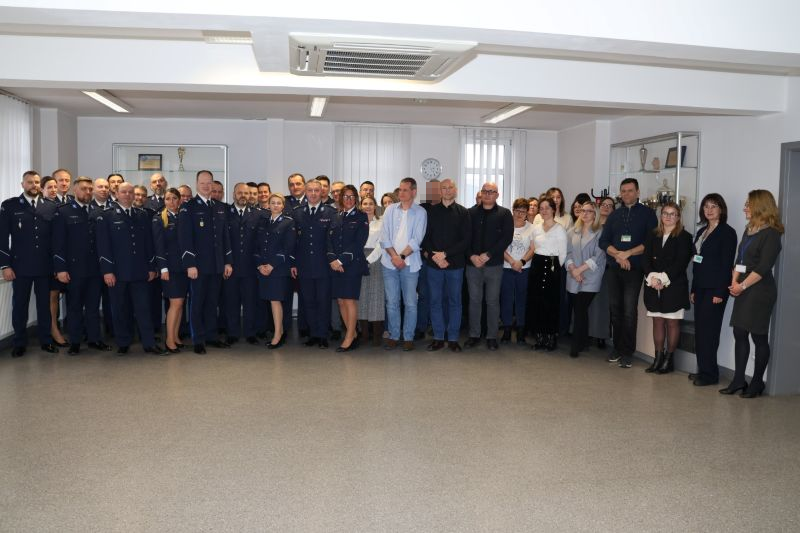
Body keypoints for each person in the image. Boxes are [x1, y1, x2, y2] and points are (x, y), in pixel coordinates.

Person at [721, 190, 784, 398]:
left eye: (748, 204)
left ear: (760, 207)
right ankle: (739, 380)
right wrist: (734, 282)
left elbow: (763, 267)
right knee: (740, 333)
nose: (744, 208)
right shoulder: (749, 230)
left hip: (759, 290)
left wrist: (742, 286)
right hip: (742, 286)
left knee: (758, 336)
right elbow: (740, 260)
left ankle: (757, 383)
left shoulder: (772, 234)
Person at [95, 183, 167, 355]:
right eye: (123, 192)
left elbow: (148, 243)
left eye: (130, 192)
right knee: (119, 309)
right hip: (117, 272)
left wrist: (151, 266)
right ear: (116, 194)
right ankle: (123, 342)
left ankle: (149, 343)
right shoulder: (106, 216)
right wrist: (107, 271)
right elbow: (103, 246)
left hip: (140, 271)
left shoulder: (142, 215)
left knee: (144, 309)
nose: (127, 195)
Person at [599, 178, 658, 368]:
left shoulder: (648, 214)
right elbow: (603, 241)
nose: (626, 194)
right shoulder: (615, 215)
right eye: (623, 191)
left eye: (630, 190)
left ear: (638, 192)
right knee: (615, 310)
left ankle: (627, 352)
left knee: (629, 311)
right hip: (614, 268)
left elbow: (651, 242)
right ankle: (617, 348)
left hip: (634, 269)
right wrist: (618, 255)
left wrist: (629, 253)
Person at [1, 171, 59, 357]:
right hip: (20, 266)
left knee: (44, 306)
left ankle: (46, 340)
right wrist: (5, 265)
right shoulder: (10, 206)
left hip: (44, 266)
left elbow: (55, 240)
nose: (34, 185)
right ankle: (19, 342)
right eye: (30, 182)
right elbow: (2, 238)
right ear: (22, 184)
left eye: (36, 182)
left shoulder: (50, 206)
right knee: (20, 305)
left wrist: (57, 265)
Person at [51, 177, 112, 355]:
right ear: (75, 190)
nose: (87, 192)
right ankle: (75, 342)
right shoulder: (63, 211)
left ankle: (94, 339)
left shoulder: (97, 211)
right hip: (74, 269)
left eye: (90, 189)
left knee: (93, 307)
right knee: (75, 307)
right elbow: (58, 243)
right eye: (84, 189)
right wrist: (60, 268)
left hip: (95, 269)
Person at [177, 170, 233, 354]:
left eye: (209, 183)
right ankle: (198, 339)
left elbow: (225, 237)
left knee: (212, 302)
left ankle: (211, 336)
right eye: (203, 183)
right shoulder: (188, 207)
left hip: (217, 264)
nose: (206, 186)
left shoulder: (219, 207)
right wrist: (190, 264)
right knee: (197, 303)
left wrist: (227, 262)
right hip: (198, 266)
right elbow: (185, 238)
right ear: (196, 184)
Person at [688, 194, 738, 386]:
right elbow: (697, 262)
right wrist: (694, 288)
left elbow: (726, 265)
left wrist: (720, 292)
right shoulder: (702, 231)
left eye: (714, 206)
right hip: (700, 287)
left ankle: (710, 375)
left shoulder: (727, 232)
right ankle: (703, 370)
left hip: (715, 290)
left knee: (709, 332)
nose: (709, 210)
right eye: (706, 206)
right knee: (700, 331)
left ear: (721, 209)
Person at [422, 178, 471, 352]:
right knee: (435, 301)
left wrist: (445, 254)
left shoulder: (464, 212)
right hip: (434, 264)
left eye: (450, 187)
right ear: (440, 191)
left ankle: (453, 338)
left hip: (455, 265)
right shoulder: (430, 212)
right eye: (444, 188)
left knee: (455, 302)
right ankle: (438, 337)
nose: (447, 190)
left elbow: (466, 240)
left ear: (455, 190)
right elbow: (425, 237)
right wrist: (435, 256)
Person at [465, 182, 513, 350]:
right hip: (473, 265)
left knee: (492, 301)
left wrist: (488, 254)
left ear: (497, 195)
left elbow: (506, 238)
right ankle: (474, 335)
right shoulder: (470, 213)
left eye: (491, 192)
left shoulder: (504, 214)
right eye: (485, 191)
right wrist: (471, 256)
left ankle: (492, 336)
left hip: (494, 265)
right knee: (474, 300)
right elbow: (465, 238)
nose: (487, 194)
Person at [380, 177, 427, 351]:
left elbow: (417, 239)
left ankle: (408, 337)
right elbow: (384, 236)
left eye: (405, 190)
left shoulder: (421, 212)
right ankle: (394, 336)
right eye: (400, 190)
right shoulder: (390, 210)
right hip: (389, 263)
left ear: (414, 192)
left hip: (410, 264)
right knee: (392, 302)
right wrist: (395, 257)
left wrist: (401, 257)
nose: (401, 193)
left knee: (410, 303)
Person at [291, 179, 336, 348]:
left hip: (324, 265)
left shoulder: (330, 212)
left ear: (322, 191)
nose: (313, 193)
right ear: (306, 192)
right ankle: (313, 334)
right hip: (304, 265)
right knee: (308, 301)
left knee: (323, 301)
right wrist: (293, 263)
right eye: (310, 190)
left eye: (317, 190)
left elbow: (333, 241)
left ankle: (323, 335)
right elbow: (293, 241)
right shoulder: (297, 212)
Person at [327, 184, 369, 351]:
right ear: (340, 198)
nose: (349, 199)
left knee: (349, 300)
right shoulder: (336, 216)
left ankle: (349, 336)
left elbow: (358, 243)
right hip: (335, 265)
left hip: (351, 265)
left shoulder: (361, 217)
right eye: (346, 196)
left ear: (356, 198)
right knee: (340, 300)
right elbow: (329, 240)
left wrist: (341, 261)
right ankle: (353, 334)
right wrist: (333, 259)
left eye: (352, 196)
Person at [565, 201, 607, 358]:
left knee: (581, 308)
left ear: (595, 214)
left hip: (590, 276)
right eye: (583, 210)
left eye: (589, 211)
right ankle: (583, 342)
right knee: (579, 310)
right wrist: (573, 270)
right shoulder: (572, 231)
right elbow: (567, 253)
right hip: (573, 275)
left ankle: (575, 346)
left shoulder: (601, 232)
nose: (585, 213)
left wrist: (579, 270)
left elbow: (598, 256)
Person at [526, 197, 568, 351]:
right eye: (541, 208)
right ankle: (539, 337)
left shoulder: (560, 229)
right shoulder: (536, 228)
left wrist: (554, 269)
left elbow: (563, 254)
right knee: (537, 301)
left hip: (552, 266)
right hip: (537, 265)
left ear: (553, 210)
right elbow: (533, 248)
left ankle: (550, 337)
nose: (544, 211)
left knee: (550, 302)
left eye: (547, 208)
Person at [224, 183, 261, 345]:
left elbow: (260, 242)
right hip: (230, 266)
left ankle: (250, 332)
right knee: (231, 302)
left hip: (250, 267)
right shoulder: (225, 213)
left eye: (246, 193)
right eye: (240, 193)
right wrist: (226, 262)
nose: (243, 196)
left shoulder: (257, 214)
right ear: (234, 194)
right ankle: (232, 333)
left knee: (250, 302)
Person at [256, 193, 295, 349]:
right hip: (264, 268)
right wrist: (260, 265)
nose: (276, 205)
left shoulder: (288, 222)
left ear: (283, 206)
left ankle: (278, 334)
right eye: (273, 203)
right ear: (268, 205)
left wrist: (271, 265)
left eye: (279, 203)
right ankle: (277, 332)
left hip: (278, 269)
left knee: (275, 300)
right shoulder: (264, 222)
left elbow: (288, 247)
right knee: (271, 301)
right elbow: (257, 246)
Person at [153, 188, 187, 353]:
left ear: (179, 200)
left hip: (183, 267)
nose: (171, 201)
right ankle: (169, 340)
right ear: (164, 201)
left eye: (174, 198)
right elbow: (158, 246)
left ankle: (175, 336)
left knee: (180, 303)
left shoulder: (183, 217)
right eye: (168, 198)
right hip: (170, 268)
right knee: (175, 303)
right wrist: (163, 268)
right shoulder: (159, 218)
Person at [501, 198, 535, 345]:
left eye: (523, 211)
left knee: (522, 299)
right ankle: (507, 330)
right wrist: (511, 261)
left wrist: (521, 262)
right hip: (506, 268)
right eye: (517, 210)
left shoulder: (532, 228)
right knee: (506, 300)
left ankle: (521, 331)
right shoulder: (505, 226)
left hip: (524, 269)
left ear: (527, 213)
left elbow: (533, 249)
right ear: (512, 210)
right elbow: (500, 247)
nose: (520, 214)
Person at [41, 176, 69, 346]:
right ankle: (53, 330)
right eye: (49, 187)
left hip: (66, 258)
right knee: (52, 296)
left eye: (54, 187)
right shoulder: (42, 207)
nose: (53, 190)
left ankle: (60, 328)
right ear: (42, 189)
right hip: (49, 259)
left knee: (57, 295)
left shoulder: (66, 204)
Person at [587, 197, 615, 349]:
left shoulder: (613, 227)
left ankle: (601, 335)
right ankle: (588, 332)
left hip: (606, 268)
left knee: (603, 304)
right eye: (603, 204)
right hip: (588, 268)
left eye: (610, 206)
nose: (606, 207)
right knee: (589, 303)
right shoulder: (591, 225)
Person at [356, 195, 385, 346]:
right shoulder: (356, 222)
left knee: (376, 296)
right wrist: (361, 260)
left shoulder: (381, 222)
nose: (367, 206)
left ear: (375, 206)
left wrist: (369, 260)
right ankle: (365, 334)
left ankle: (377, 336)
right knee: (361, 297)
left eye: (370, 204)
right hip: (359, 258)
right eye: (365, 204)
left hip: (376, 259)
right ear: (360, 206)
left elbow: (382, 244)